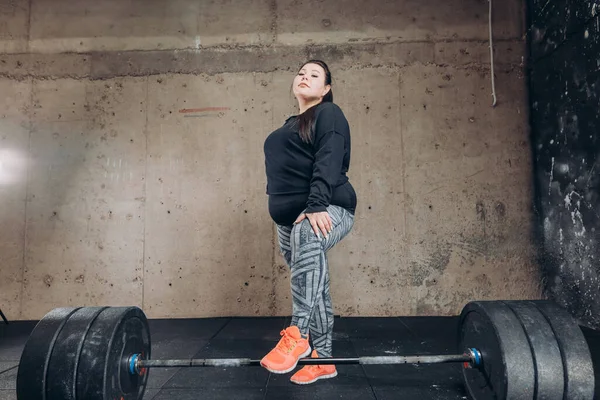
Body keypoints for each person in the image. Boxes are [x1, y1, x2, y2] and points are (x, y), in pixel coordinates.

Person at [260, 59, 357, 385]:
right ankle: (324, 360)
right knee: (312, 283)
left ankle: (298, 334)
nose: (304, 76)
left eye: (314, 75)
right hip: (287, 221)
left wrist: (316, 205)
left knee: (308, 270)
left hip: (328, 208)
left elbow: (329, 158)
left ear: (326, 88)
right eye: (301, 72)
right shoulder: (291, 123)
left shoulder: (328, 113)